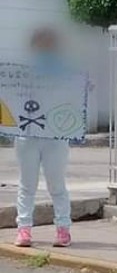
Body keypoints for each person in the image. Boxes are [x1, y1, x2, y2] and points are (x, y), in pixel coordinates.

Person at [14, 28, 73, 248]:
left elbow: (73, 100)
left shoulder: (67, 71)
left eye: (48, 45)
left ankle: (63, 229)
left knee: (55, 184)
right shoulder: (21, 71)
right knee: (28, 184)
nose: (44, 49)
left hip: (55, 135)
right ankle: (24, 229)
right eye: (41, 45)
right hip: (27, 135)